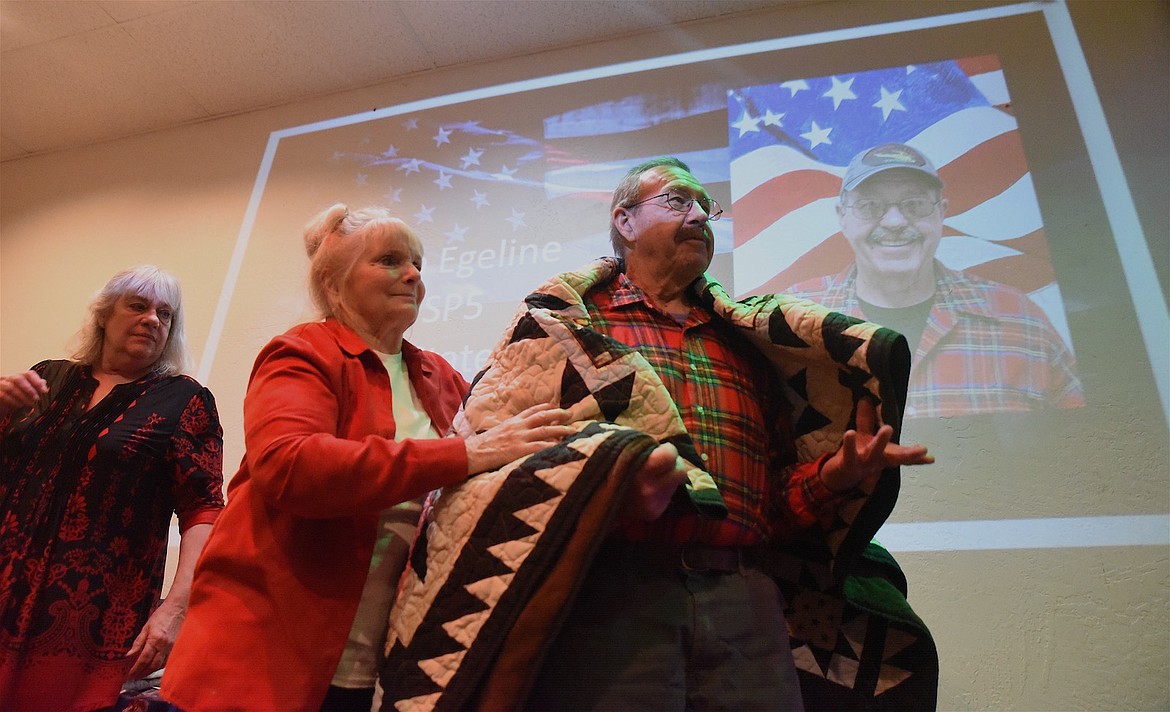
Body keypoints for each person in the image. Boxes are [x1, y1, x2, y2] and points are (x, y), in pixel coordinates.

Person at [379, 158, 936, 710]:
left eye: (705, 206)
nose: (699, 215)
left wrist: (840, 473)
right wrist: (613, 491)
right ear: (624, 221)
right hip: (608, 594)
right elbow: (504, 473)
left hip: (746, 602)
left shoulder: (751, 342)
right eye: (677, 201)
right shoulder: (565, 326)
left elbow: (772, 510)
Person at [160, 205, 574, 712]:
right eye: (390, 260)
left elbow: (492, 465)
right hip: (263, 660)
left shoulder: (440, 376)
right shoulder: (302, 351)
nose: (414, 274)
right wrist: (462, 453)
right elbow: (292, 465)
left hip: (379, 670)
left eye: (418, 263)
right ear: (333, 282)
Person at [0, 265, 225, 711]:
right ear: (104, 315)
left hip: (95, 616)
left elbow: (204, 510)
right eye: (138, 307)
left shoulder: (184, 399)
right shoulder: (48, 378)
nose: (152, 320)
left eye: (165, 314)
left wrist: (176, 610)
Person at [787, 142, 1084, 418]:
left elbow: (1086, 440)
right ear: (842, 217)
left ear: (941, 213)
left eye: (915, 204)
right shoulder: (790, 318)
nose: (895, 222)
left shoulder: (1019, 318)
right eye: (869, 206)